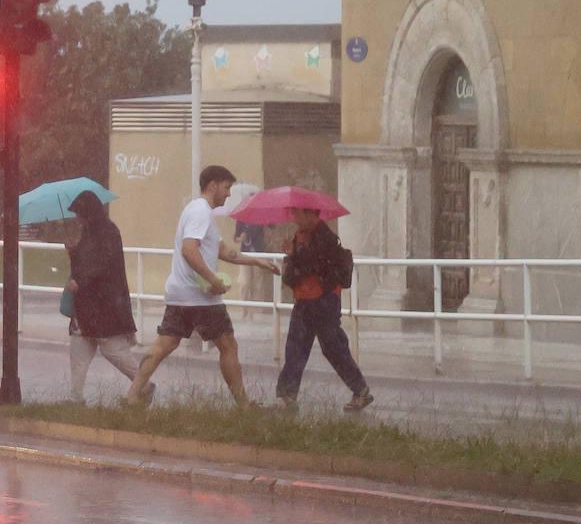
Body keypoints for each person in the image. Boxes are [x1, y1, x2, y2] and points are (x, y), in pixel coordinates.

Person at [124, 165, 280, 408]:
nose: (229, 195)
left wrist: (257, 261)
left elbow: (223, 251)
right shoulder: (201, 212)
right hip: (201, 297)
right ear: (213, 185)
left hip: (179, 294)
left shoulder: (197, 211)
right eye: (227, 188)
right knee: (228, 345)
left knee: (162, 346)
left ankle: (132, 396)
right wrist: (212, 280)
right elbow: (189, 249)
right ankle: (243, 404)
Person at [275, 206, 373, 412]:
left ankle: (361, 391)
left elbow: (315, 265)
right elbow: (293, 273)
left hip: (323, 301)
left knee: (332, 347)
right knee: (296, 348)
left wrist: (294, 254)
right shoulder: (299, 236)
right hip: (304, 300)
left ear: (311, 215)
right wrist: (291, 256)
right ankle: (287, 396)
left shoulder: (325, 238)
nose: (294, 218)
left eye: (297, 214)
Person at [63, 190, 142, 403]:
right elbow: (88, 263)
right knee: (79, 352)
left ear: (88, 213)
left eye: (79, 213)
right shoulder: (92, 232)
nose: (77, 219)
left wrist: (81, 281)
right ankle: (75, 398)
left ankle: (143, 384)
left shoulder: (107, 232)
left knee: (113, 351)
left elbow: (104, 265)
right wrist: (73, 252)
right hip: (87, 306)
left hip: (104, 305)